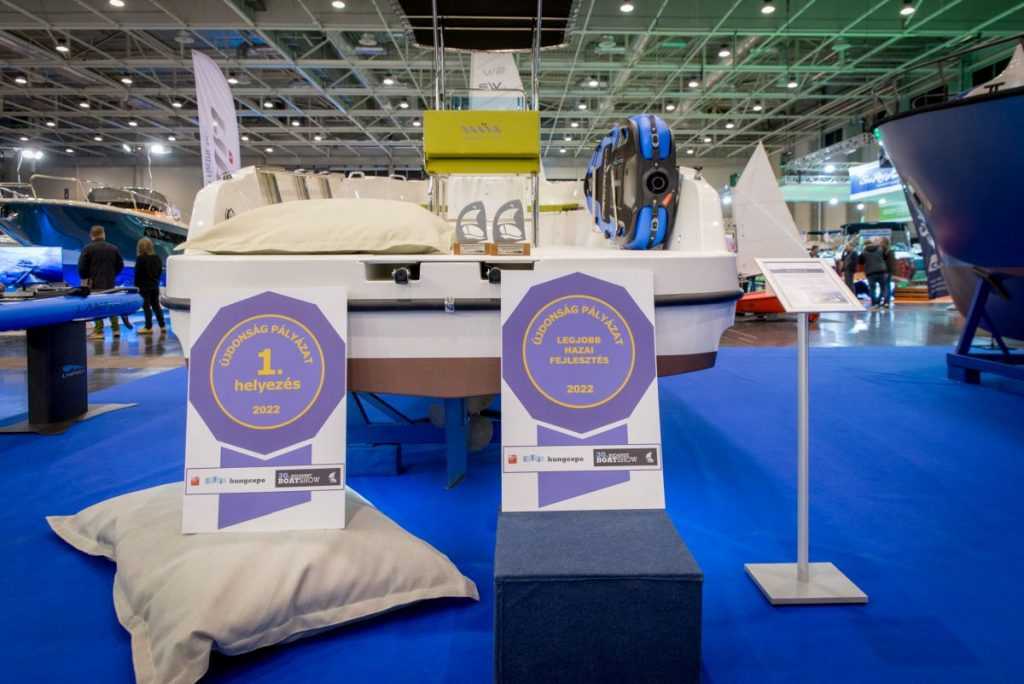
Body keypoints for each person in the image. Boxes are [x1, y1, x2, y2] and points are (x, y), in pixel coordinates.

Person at [78, 225, 124, 338]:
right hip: (110, 283)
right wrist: (113, 274)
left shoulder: (87, 249)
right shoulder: (113, 248)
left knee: (97, 306)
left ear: (91, 235)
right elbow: (120, 265)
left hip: (94, 284)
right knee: (112, 305)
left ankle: (99, 331)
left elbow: (82, 267)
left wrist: (86, 278)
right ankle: (116, 330)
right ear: (104, 234)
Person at [133, 238, 165, 334]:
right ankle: (162, 325)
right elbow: (159, 271)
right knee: (156, 306)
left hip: (144, 287)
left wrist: (136, 287)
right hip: (155, 285)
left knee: (146, 307)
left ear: (139, 248)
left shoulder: (140, 259)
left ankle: (148, 327)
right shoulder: (157, 258)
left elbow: (137, 274)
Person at [858, 237, 888, 311]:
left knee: (872, 289)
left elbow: (860, 261)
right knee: (883, 288)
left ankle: (874, 304)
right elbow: (885, 257)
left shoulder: (864, 252)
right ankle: (880, 301)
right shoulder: (880, 249)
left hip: (870, 273)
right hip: (881, 271)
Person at [881, 237, 898, 309]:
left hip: (885, 271)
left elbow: (886, 262)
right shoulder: (890, 251)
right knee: (887, 286)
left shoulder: (884, 251)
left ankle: (886, 302)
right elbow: (893, 263)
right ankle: (886, 301)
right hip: (889, 271)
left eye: (881, 242)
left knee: (886, 286)